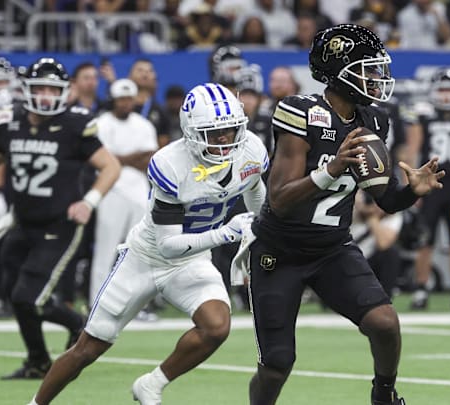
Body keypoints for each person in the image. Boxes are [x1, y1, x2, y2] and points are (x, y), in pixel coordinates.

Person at [27, 82, 269, 405]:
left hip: (192, 260)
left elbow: (254, 187)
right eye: (215, 132)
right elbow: (169, 245)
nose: (226, 139)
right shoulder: (170, 164)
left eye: (230, 129)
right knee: (89, 348)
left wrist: (263, 229)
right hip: (146, 257)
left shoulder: (250, 150)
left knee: (216, 326)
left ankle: (151, 384)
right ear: (191, 131)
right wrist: (226, 233)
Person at [245, 24, 444, 405]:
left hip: (332, 248)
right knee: (277, 364)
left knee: (384, 323)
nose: (376, 79)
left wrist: (410, 192)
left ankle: (383, 395)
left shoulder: (374, 121)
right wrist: (331, 169)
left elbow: (384, 200)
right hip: (279, 251)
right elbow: (281, 199)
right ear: (338, 71)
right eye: (366, 69)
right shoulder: (299, 111)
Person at [0, 57, 121, 379]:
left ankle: (70, 334)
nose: (45, 95)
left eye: (52, 88)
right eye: (39, 88)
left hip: (60, 224)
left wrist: (89, 201)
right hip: (22, 222)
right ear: (26, 89)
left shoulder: (75, 124)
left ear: (63, 91)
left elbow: (110, 167)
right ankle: (42, 357)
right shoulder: (9, 119)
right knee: (18, 296)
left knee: (26, 295)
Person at [406, 67, 450, 310]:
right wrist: (410, 187)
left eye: (449, 90)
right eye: (441, 90)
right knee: (425, 241)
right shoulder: (424, 114)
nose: (445, 95)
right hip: (430, 184)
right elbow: (413, 149)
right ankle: (421, 289)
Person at [89, 78, 158, 302]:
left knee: (138, 253)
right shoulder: (102, 123)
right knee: (105, 251)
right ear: (113, 100)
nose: (125, 103)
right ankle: (96, 302)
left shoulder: (144, 125)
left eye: (129, 99)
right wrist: (131, 158)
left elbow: (149, 160)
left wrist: (118, 158)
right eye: (121, 99)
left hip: (139, 193)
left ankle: (134, 304)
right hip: (111, 192)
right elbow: (101, 159)